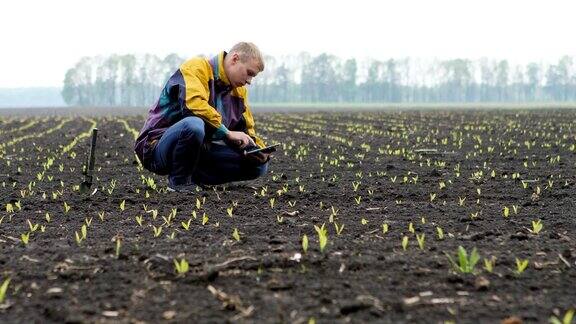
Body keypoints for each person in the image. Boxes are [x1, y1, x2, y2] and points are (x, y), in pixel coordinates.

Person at [134, 42, 270, 192]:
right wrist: (226, 133)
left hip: (199, 150)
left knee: (258, 166)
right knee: (193, 125)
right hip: (156, 147)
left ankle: (191, 175)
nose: (249, 81)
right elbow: (193, 106)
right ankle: (179, 183)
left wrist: (258, 150)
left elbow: (246, 130)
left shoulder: (239, 92)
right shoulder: (196, 68)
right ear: (235, 59)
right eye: (249, 73)